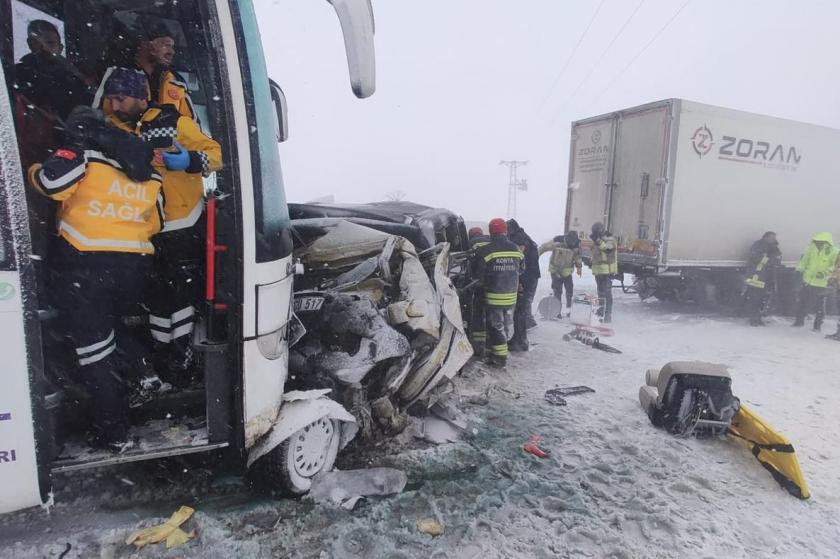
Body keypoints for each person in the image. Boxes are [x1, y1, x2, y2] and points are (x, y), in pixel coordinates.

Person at [27, 69, 162, 450]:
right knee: (111, 331)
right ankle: (141, 369)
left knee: (91, 352)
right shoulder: (146, 166)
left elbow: (53, 184)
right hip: (133, 265)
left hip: (86, 265)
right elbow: (158, 218)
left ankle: (113, 431)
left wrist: (34, 169)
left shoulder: (81, 151)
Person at [104, 68, 222, 380]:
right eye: (111, 99)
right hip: (140, 227)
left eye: (120, 99)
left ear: (141, 98)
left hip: (181, 223)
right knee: (154, 295)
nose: (115, 106)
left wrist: (192, 162)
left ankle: (183, 352)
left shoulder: (174, 122)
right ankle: (163, 354)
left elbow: (216, 153)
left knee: (180, 294)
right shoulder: (110, 130)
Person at [14, 20, 93, 169]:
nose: (44, 48)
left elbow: (84, 111)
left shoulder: (74, 77)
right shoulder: (17, 73)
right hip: (27, 145)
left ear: (61, 47)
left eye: (50, 43)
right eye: (39, 42)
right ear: (30, 43)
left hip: (65, 142)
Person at [94, 22, 196, 121]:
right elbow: (98, 116)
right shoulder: (117, 73)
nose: (172, 52)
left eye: (172, 47)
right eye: (166, 45)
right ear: (146, 43)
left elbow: (192, 125)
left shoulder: (177, 81)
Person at [474, 219, 523, 368]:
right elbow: (522, 269)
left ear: (491, 232)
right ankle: (499, 351)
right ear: (505, 231)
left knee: (495, 326)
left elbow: (479, 276)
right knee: (506, 324)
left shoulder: (486, 251)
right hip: (511, 296)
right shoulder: (515, 249)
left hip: (494, 296)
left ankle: (500, 357)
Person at [793, 232, 839, 331]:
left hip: (822, 283)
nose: (817, 243)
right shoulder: (810, 248)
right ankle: (799, 321)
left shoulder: (834, 252)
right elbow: (803, 261)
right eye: (816, 241)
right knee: (803, 301)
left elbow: (835, 266)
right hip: (807, 281)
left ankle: (817, 325)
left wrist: (825, 273)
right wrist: (799, 270)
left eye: (819, 241)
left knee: (820, 305)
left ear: (826, 242)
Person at [507, 219, 539, 350]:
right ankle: (519, 339)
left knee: (521, 309)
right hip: (529, 276)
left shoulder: (519, 239)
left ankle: (520, 341)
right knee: (521, 309)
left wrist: (519, 281)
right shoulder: (522, 236)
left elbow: (518, 259)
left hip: (527, 277)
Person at [539, 231, 582, 318]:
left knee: (569, 291)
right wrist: (536, 255)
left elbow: (577, 257)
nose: (572, 244)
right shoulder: (557, 241)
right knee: (557, 292)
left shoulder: (576, 245)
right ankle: (557, 311)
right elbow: (544, 247)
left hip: (567, 272)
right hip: (556, 271)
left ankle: (569, 310)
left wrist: (579, 267)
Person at [742, 232, 781, 326]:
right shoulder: (758, 246)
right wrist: (770, 258)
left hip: (767, 277)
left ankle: (758, 318)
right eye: (771, 237)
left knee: (762, 299)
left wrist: (772, 258)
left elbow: (778, 259)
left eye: (774, 238)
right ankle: (753, 319)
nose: (773, 239)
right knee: (754, 298)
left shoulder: (774, 248)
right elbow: (758, 258)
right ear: (765, 237)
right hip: (756, 276)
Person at [468, 227, 490, 356]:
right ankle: (488, 341)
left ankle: (478, 343)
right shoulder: (490, 239)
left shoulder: (472, 243)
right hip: (495, 282)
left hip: (480, 282)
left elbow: (470, 263)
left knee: (478, 311)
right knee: (491, 313)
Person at [589, 222, 618, 323]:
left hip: (608, 272)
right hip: (599, 272)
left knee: (607, 293)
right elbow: (596, 253)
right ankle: (601, 312)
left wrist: (597, 241)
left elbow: (608, 250)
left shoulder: (610, 239)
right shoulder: (598, 241)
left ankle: (607, 315)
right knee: (600, 293)